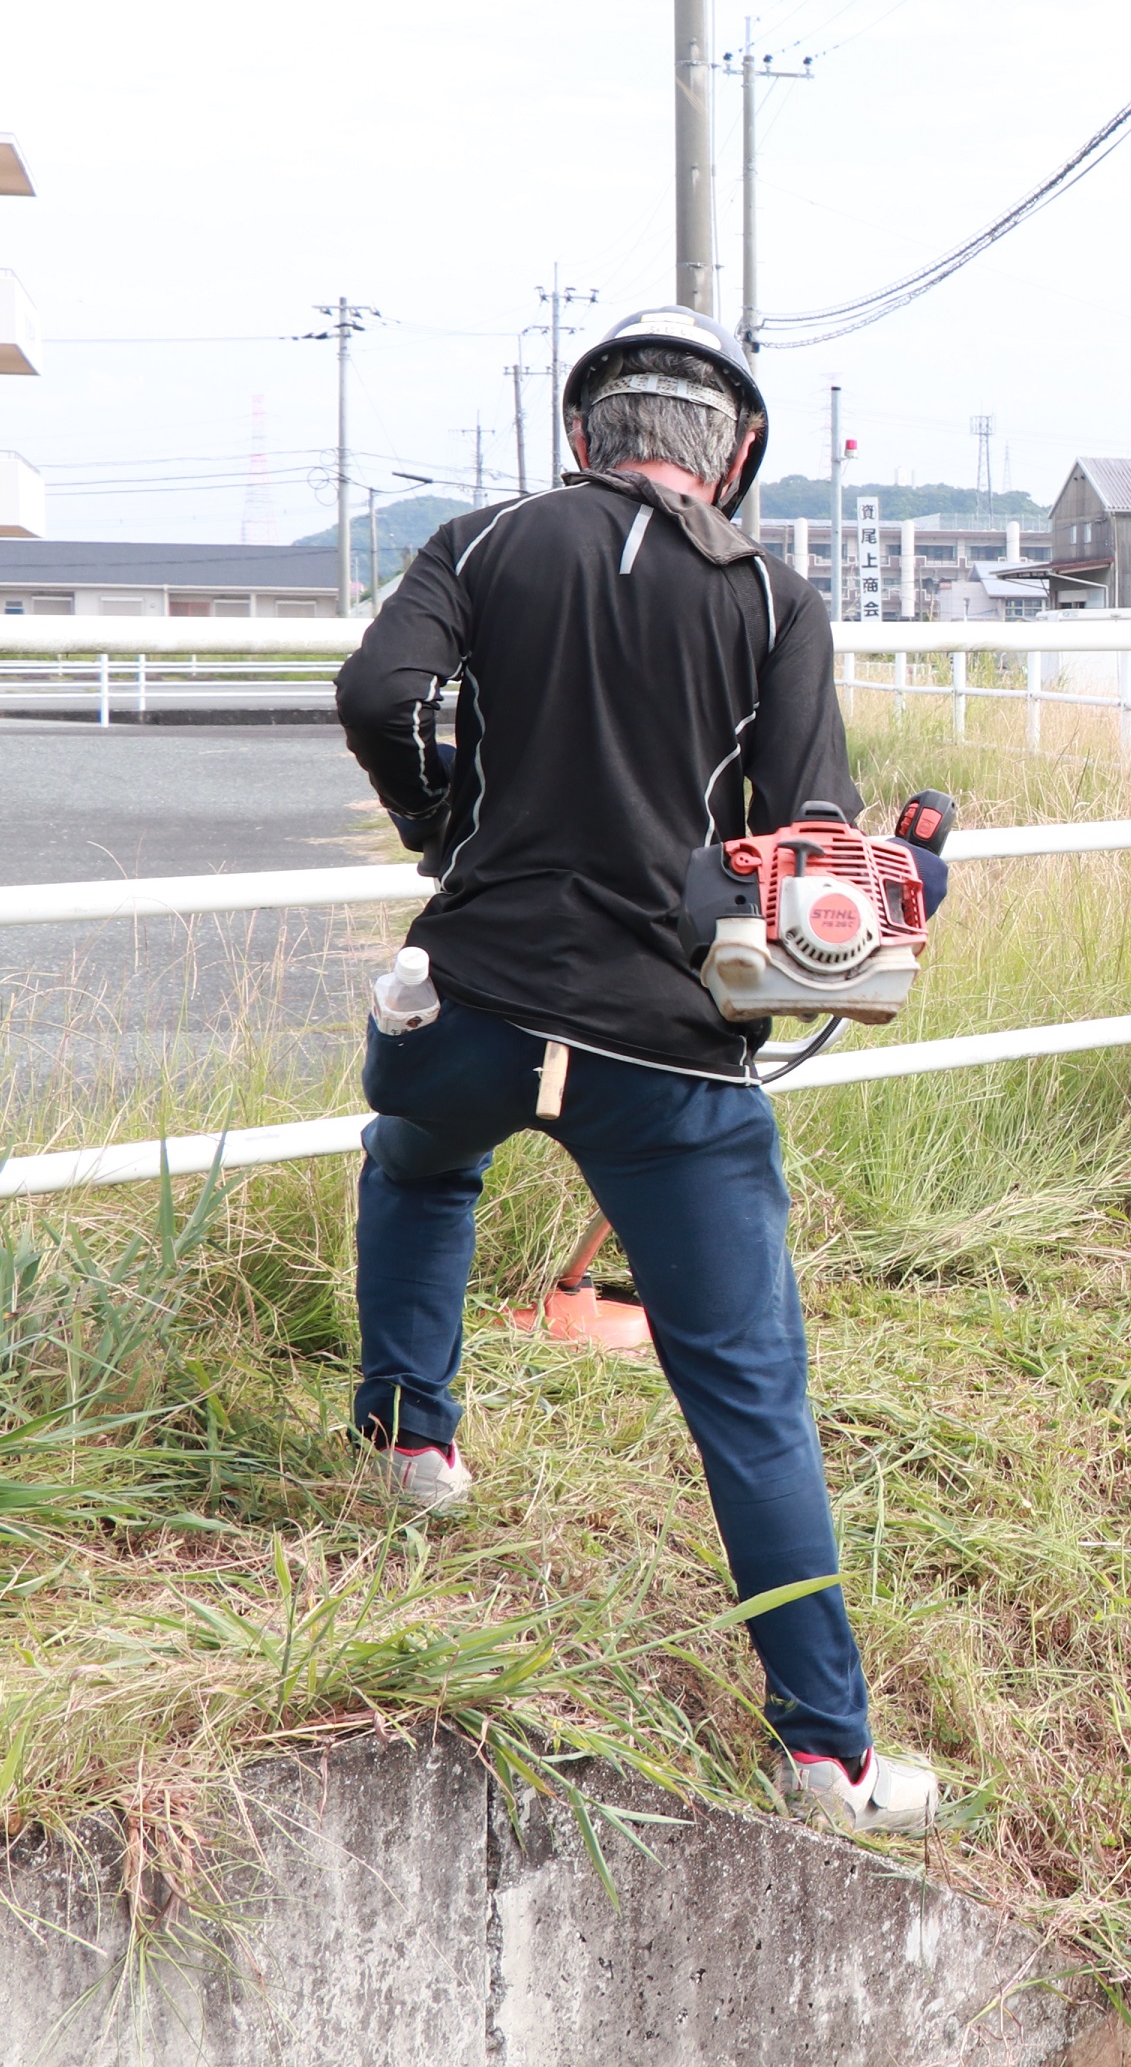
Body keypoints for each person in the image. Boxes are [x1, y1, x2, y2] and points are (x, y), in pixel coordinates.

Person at [332, 305, 949, 1835]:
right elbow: (808, 841)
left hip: (469, 997)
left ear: (578, 436)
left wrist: (443, 826)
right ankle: (828, 1752)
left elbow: (379, 697)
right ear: (734, 450)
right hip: (666, 1053)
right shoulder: (774, 601)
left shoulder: (478, 546)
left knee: (416, 1162)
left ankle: (413, 1442)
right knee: (747, 1387)